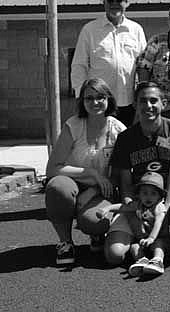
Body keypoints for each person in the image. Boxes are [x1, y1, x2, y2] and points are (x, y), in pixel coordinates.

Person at [106, 82, 170, 265]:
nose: (148, 106)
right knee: (114, 256)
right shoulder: (126, 137)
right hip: (140, 202)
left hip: (169, 199)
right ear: (135, 105)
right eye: (143, 101)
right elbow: (126, 182)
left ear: (164, 103)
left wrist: (164, 207)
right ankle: (141, 241)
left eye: (154, 101)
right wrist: (132, 207)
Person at [45, 78, 126, 266]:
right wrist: (92, 173)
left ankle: (97, 235)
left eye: (100, 97)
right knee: (57, 188)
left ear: (109, 100)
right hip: (73, 181)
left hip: (102, 188)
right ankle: (65, 242)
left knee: (95, 221)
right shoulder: (73, 125)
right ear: (82, 101)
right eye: (89, 98)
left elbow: (119, 174)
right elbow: (53, 168)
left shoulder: (118, 130)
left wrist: (94, 189)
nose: (95, 102)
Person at [71, 0, 146, 127]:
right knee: (101, 145)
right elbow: (79, 66)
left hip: (129, 103)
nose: (115, 3)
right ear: (103, 3)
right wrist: (81, 98)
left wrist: (142, 97)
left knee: (126, 144)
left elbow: (143, 66)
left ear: (126, 3)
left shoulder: (136, 30)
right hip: (99, 103)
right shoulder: (89, 30)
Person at [96, 171, 170, 277]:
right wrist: (108, 208)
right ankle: (141, 260)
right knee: (134, 246)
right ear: (139, 194)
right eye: (144, 193)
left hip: (159, 238)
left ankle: (157, 260)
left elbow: (158, 223)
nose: (148, 197)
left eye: (153, 193)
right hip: (143, 240)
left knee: (158, 244)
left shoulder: (159, 207)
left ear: (160, 196)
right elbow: (123, 207)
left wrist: (151, 238)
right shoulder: (138, 204)